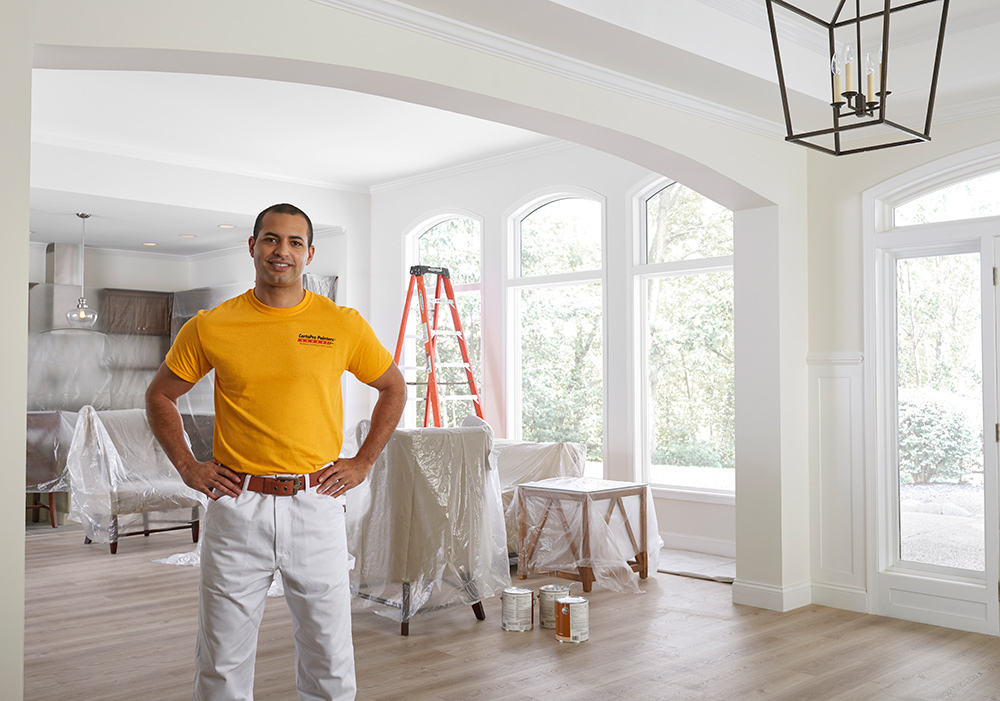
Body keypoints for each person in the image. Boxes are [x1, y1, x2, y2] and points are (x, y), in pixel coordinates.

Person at [145, 202, 405, 701]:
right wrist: (187, 466)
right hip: (237, 505)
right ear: (252, 246)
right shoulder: (211, 325)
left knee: (329, 653)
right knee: (222, 657)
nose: (280, 251)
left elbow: (393, 387)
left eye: (292, 242)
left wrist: (363, 461)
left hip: (317, 503)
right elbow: (160, 395)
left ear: (309, 252)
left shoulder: (342, 324)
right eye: (270, 239)